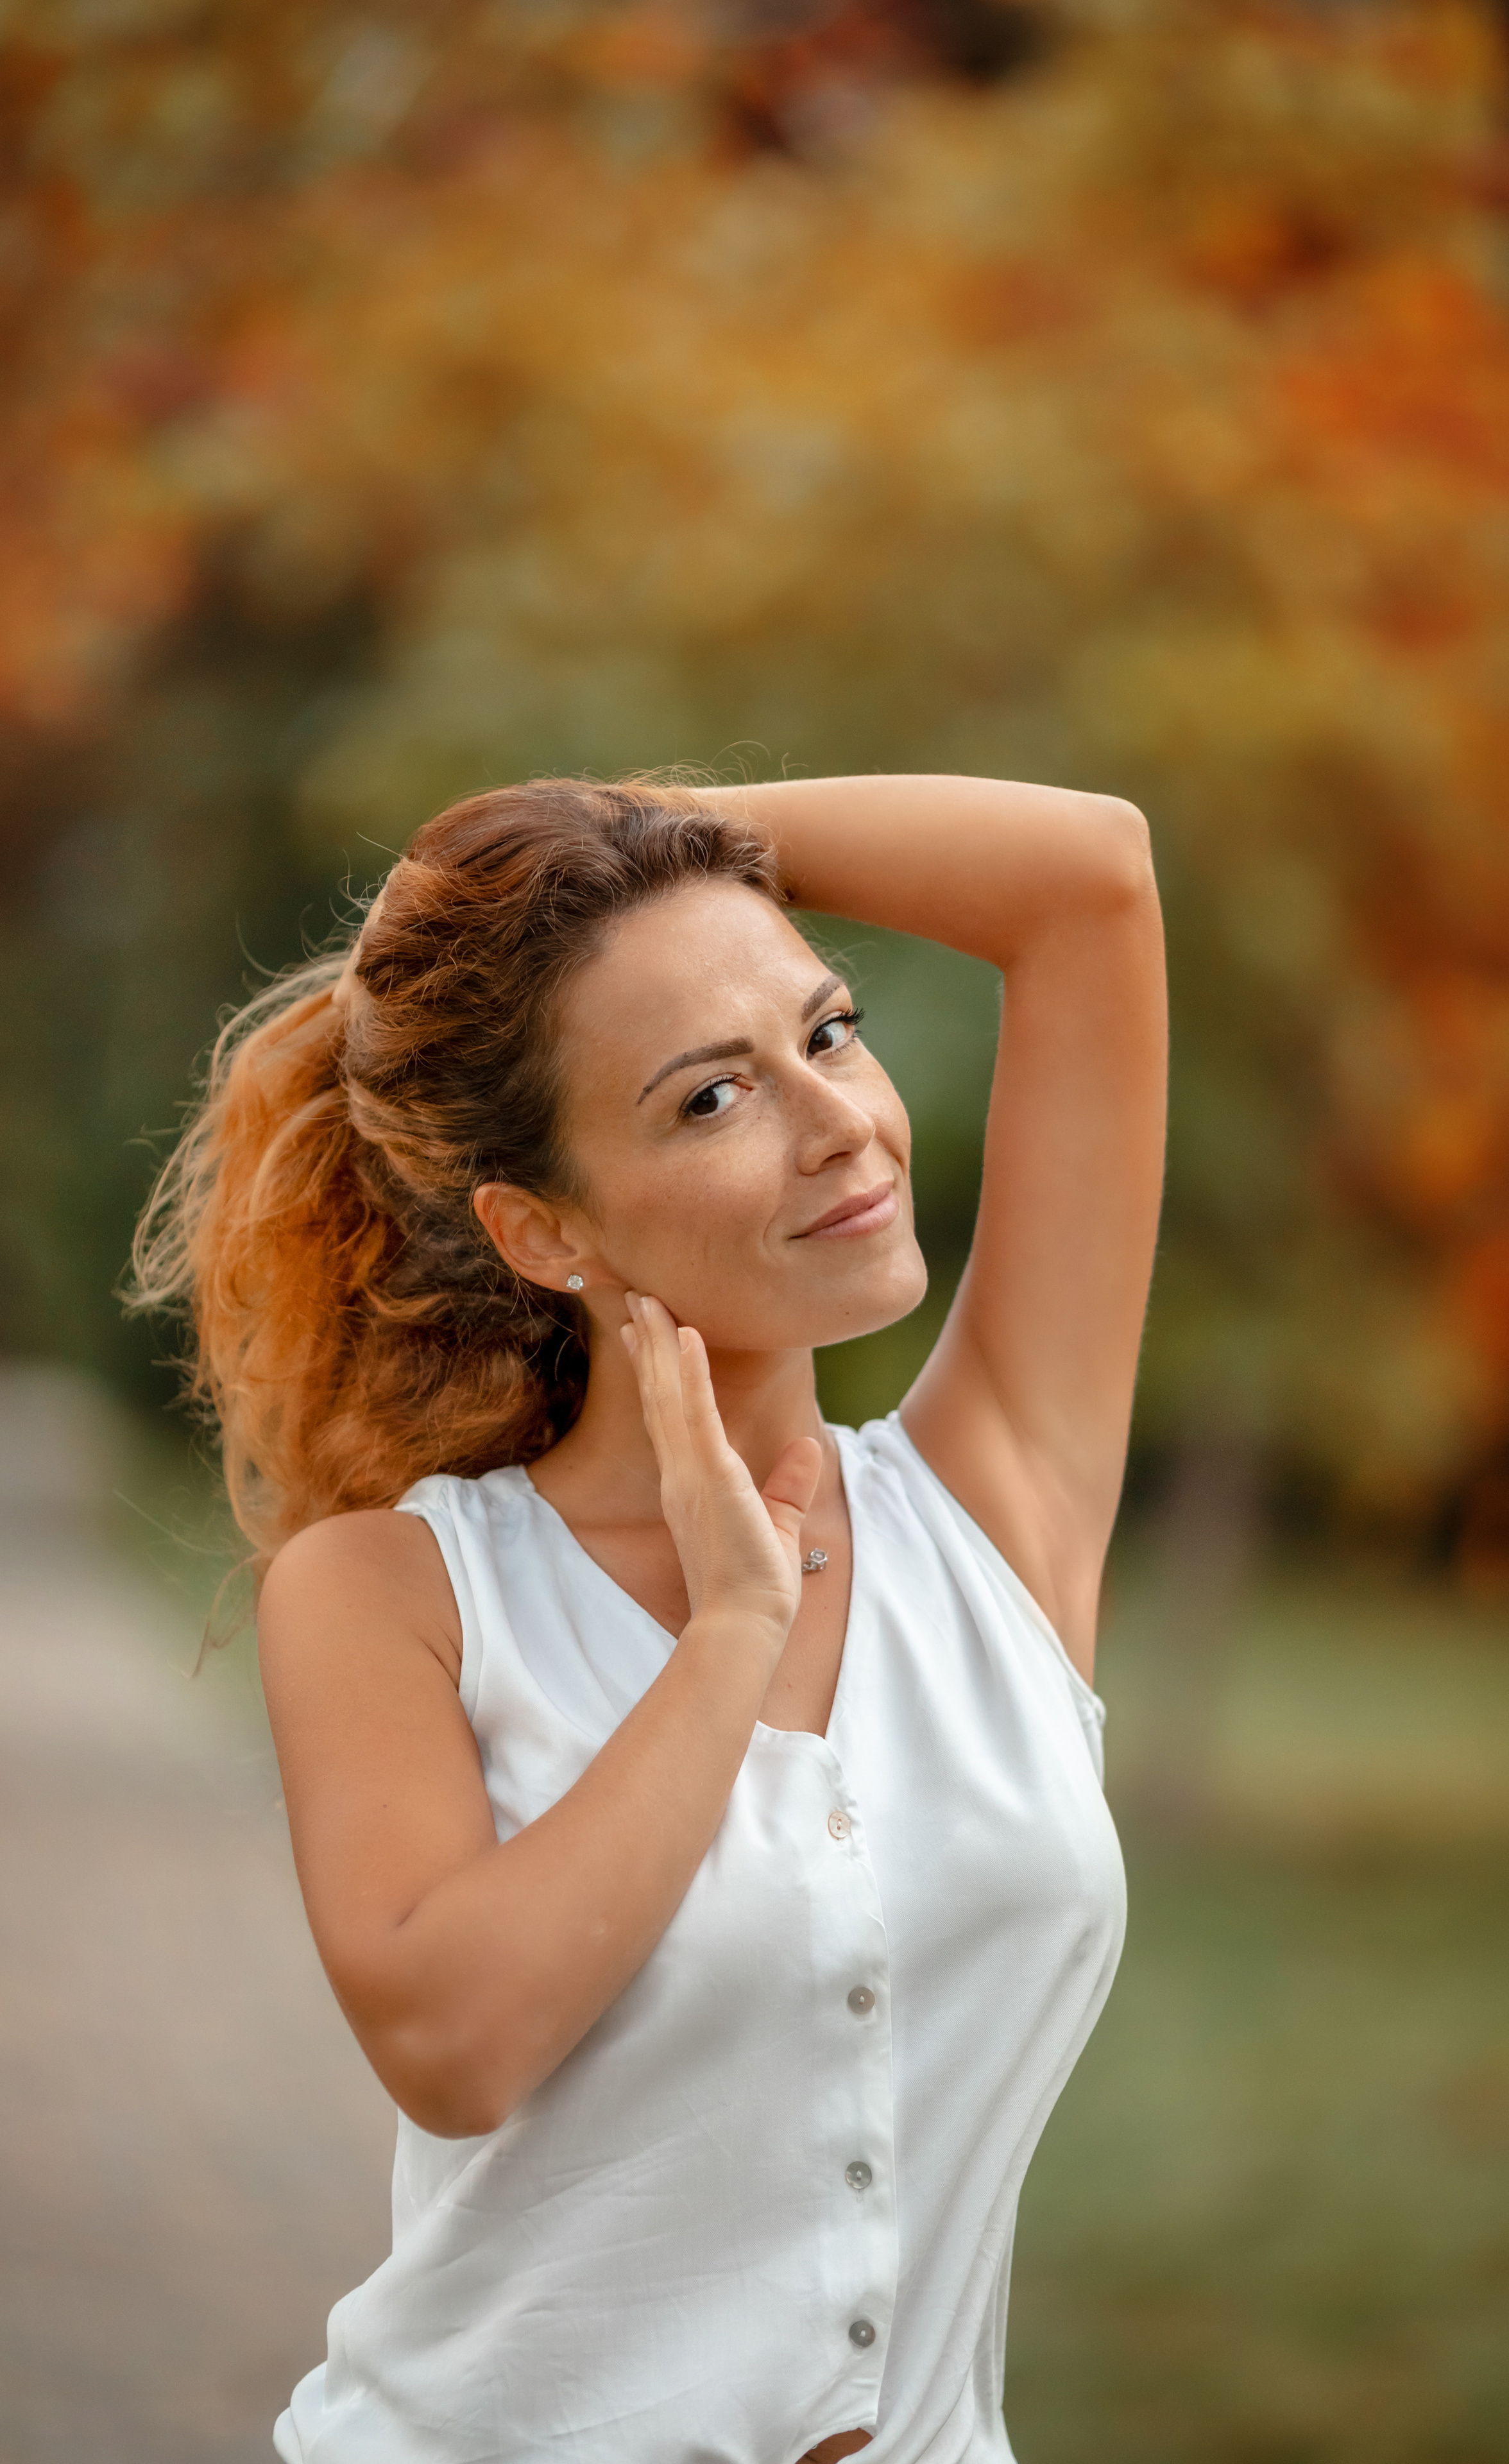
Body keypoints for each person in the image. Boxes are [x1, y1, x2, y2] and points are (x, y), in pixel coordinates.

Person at [132, 771, 1166, 2464]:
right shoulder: (401, 1593)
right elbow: (455, 2042)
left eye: (827, 1034)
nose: (838, 1123)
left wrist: (617, 831)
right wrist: (725, 1641)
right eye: (709, 1100)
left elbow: (1091, 880)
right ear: (543, 1231)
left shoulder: (999, 1508)